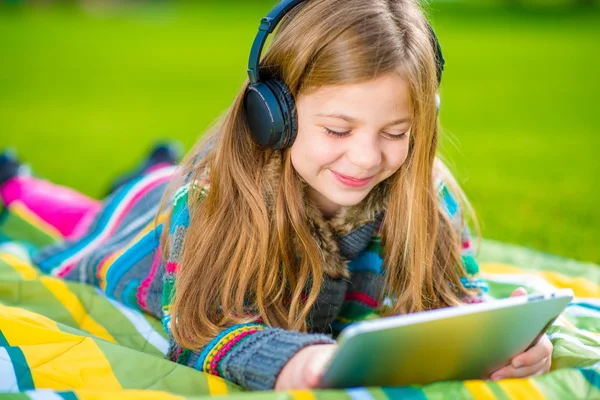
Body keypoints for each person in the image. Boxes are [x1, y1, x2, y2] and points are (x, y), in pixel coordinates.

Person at [0, 0, 553, 391]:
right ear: (273, 115)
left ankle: (153, 166)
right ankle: (18, 183)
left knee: (135, 188)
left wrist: (508, 340)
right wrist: (293, 364)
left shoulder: (423, 190)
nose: (366, 158)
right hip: (150, 228)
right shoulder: (214, 200)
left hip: (175, 191)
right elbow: (199, 329)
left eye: (395, 134)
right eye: (338, 130)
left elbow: (460, 294)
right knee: (89, 218)